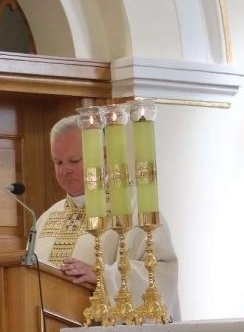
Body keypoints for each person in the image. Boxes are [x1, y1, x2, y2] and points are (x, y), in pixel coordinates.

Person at [33, 115, 181, 319]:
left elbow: (162, 274)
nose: (64, 170)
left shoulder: (135, 211)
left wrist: (103, 277)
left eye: (74, 161)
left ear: (102, 155)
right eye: (58, 162)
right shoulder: (46, 218)